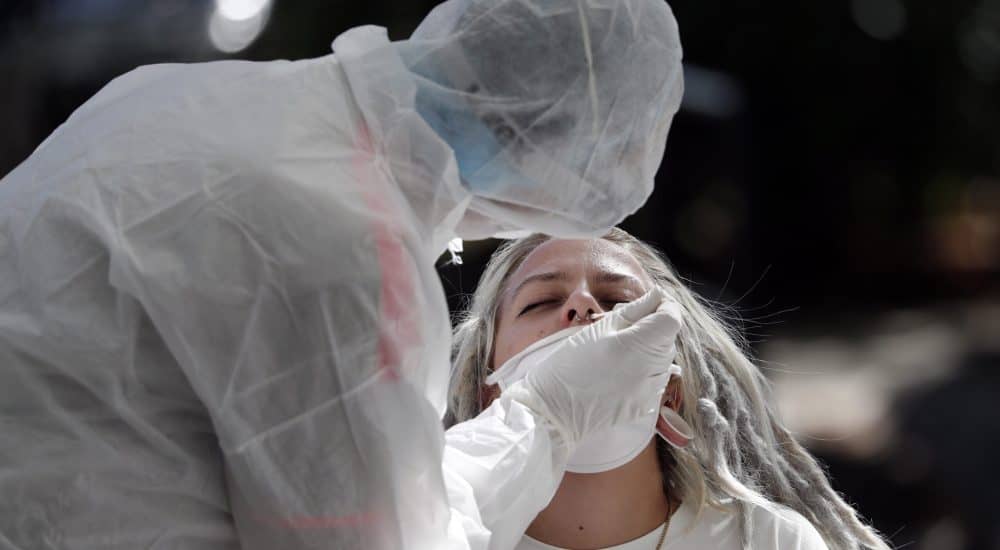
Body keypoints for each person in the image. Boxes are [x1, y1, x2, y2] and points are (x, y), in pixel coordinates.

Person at [0, 1, 683, 549]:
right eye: (537, 298)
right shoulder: (341, 250)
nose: (582, 311)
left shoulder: (188, 94)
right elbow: (374, 533)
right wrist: (543, 419)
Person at [446, 228, 893, 550]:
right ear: (489, 392)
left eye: (620, 303)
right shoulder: (439, 530)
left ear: (669, 391)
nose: (583, 305)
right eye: (541, 302)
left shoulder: (768, 540)